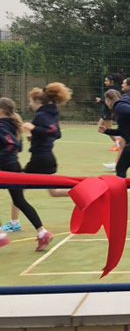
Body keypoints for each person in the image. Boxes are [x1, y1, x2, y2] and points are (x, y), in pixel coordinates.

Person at [1, 82, 73, 248]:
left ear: (38, 102)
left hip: (39, 160)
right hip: (45, 158)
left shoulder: (41, 116)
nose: (30, 105)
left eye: (31, 102)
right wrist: (36, 137)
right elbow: (56, 133)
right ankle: (80, 194)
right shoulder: (51, 114)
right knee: (50, 193)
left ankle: (13, 224)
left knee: (18, 194)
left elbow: (52, 132)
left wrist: (34, 129)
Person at [0, 97, 52, 251]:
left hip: (4, 168)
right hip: (13, 166)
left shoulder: (2, 126)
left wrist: (3, 156)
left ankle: (1, 236)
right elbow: (18, 147)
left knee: (19, 200)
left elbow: (10, 144)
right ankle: (42, 233)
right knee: (19, 200)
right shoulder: (14, 125)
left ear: (2, 110)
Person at [96, 73, 123, 152]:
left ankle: (118, 143)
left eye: (106, 81)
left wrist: (100, 100)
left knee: (107, 129)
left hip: (109, 112)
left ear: (112, 82)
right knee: (100, 126)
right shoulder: (112, 89)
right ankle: (118, 142)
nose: (105, 82)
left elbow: (112, 102)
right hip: (106, 111)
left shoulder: (113, 91)